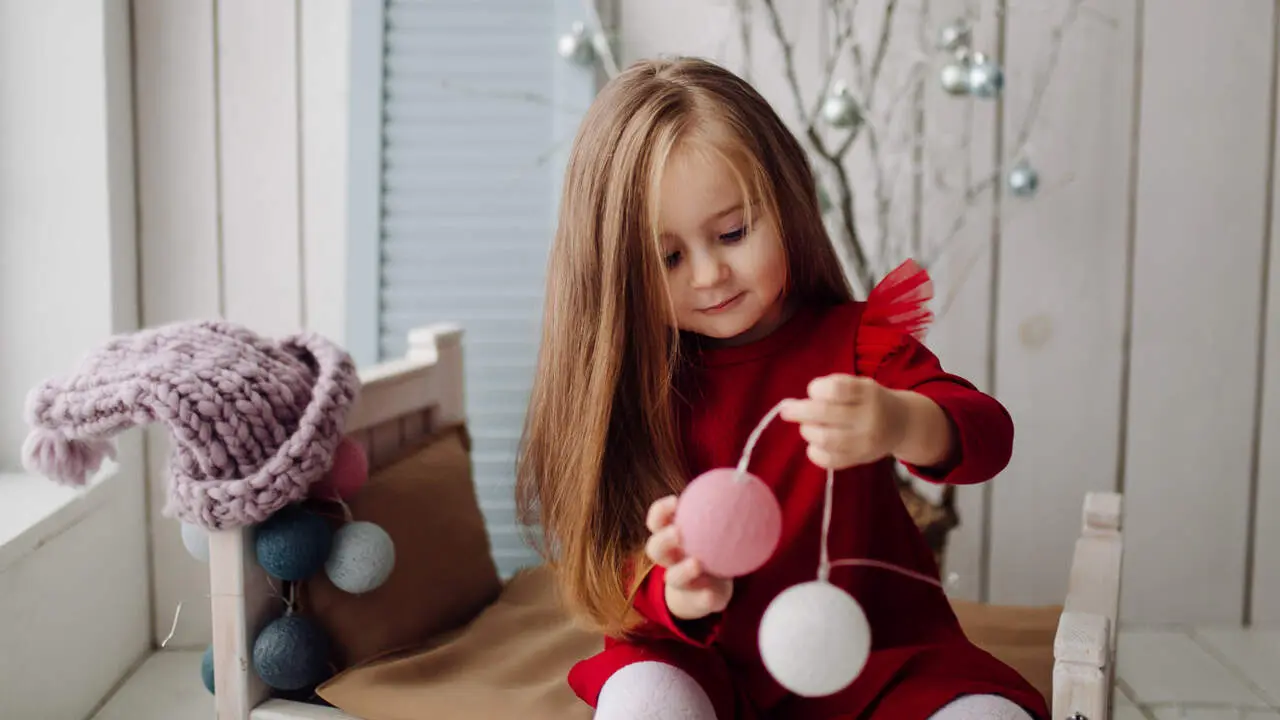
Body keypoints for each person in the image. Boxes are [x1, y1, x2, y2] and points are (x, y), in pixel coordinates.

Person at [515, 56, 1048, 720]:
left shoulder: (856, 343)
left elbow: (989, 435)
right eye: (668, 257)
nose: (709, 274)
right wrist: (675, 594)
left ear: (786, 204)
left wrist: (901, 421)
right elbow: (613, 558)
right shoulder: (630, 386)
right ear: (616, 271)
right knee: (643, 699)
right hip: (700, 659)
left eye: (733, 233)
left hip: (870, 653)